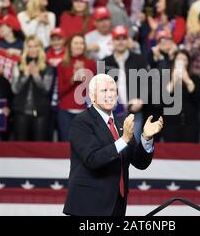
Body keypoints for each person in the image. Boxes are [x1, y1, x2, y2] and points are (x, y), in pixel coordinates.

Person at [63, 74, 164, 216]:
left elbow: (140, 163)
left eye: (113, 90)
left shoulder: (121, 123)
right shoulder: (82, 121)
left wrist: (146, 138)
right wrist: (123, 140)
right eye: (104, 91)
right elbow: (93, 159)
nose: (110, 94)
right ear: (92, 96)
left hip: (117, 205)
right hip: (89, 206)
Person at [11, 36, 53, 141]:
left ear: (40, 48)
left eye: (35, 46)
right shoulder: (18, 66)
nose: (32, 49)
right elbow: (15, 89)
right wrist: (25, 76)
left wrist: (36, 76)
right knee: (20, 144)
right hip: (21, 111)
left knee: (39, 145)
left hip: (41, 112)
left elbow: (46, 89)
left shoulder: (47, 67)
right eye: (29, 46)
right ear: (25, 48)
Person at [162, 49, 200, 143]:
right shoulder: (165, 77)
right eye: (179, 59)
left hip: (190, 125)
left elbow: (197, 98)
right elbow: (163, 100)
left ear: (188, 63)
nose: (182, 62)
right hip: (170, 125)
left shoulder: (194, 78)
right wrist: (173, 81)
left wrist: (187, 79)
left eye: (184, 60)